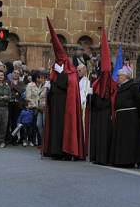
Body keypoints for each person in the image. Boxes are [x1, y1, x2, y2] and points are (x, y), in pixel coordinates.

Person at [42, 18, 84, 160]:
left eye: (61, 61)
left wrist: (60, 74)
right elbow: (54, 86)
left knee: (63, 128)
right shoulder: (55, 70)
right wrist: (49, 86)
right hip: (55, 104)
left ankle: (66, 151)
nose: (58, 63)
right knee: (55, 127)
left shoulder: (70, 72)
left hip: (65, 107)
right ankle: (54, 150)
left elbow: (67, 85)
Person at [109, 66, 140, 167]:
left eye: (120, 76)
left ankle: (131, 160)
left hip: (130, 117)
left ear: (125, 77)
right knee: (122, 140)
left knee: (131, 140)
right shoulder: (120, 88)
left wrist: (137, 114)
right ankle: (121, 159)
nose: (118, 78)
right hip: (120, 117)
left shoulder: (133, 86)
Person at [89, 29, 116, 165]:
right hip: (99, 114)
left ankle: (104, 158)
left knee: (105, 137)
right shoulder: (96, 84)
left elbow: (113, 98)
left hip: (106, 115)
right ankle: (97, 157)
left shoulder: (112, 84)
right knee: (99, 136)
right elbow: (94, 100)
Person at [25, 71, 47, 147]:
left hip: (42, 108)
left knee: (41, 125)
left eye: (43, 78)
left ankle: (42, 142)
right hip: (33, 107)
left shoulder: (45, 85)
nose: (41, 79)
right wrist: (35, 106)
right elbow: (28, 97)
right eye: (40, 77)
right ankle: (32, 140)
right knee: (34, 125)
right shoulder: (30, 85)